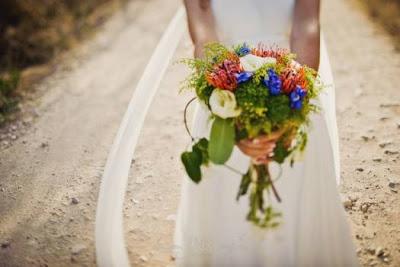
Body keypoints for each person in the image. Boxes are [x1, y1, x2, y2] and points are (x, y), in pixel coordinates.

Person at [174, 0, 359, 266]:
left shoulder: (294, 93)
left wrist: (293, 107)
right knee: (230, 212)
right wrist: (231, 112)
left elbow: (306, 26)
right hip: (225, 89)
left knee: (295, 208)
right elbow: (204, 38)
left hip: (292, 85)